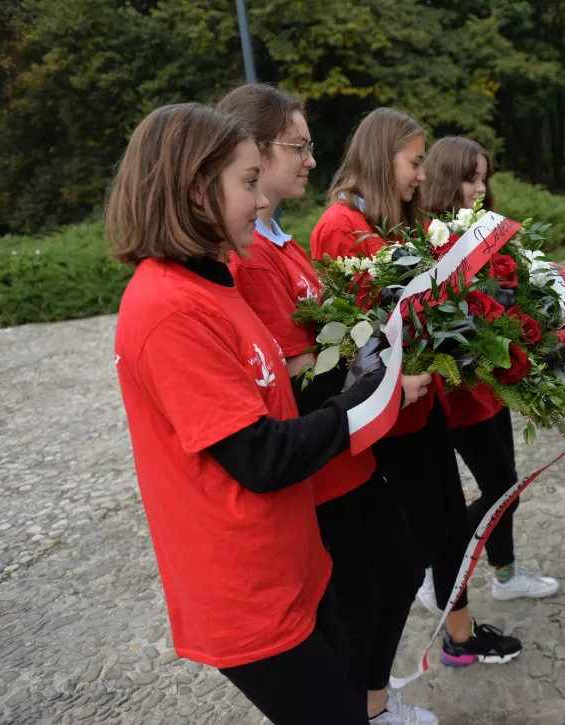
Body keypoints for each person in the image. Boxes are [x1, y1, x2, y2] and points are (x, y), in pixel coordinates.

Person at [108, 103, 418, 724]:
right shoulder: (170, 309)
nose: (259, 201)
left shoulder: (211, 281)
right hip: (246, 592)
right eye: (248, 183)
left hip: (290, 564)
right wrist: (362, 401)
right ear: (197, 190)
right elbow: (261, 455)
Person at [216, 84, 436, 725]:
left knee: (389, 576)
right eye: (299, 146)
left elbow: (333, 341)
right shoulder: (255, 259)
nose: (311, 160)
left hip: (350, 451)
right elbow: (301, 378)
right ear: (254, 149)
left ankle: (370, 702)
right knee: (357, 600)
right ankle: (365, 707)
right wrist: (385, 381)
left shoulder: (281, 242)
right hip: (325, 464)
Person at [310, 108, 523, 668]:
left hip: (418, 409)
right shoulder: (340, 227)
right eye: (414, 161)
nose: (423, 175)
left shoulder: (381, 224)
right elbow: (362, 334)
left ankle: (459, 633)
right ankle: (392, 669)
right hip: (390, 419)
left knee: (449, 524)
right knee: (422, 537)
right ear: (383, 160)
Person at [419, 136, 560, 604]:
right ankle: (433, 561)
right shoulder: (432, 240)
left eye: (484, 177)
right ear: (445, 178)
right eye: (469, 177)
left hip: (494, 384)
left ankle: (503, 573)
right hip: (461, 391)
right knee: (502, 489)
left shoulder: (485, 230)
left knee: (507, 485)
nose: (480, 188)